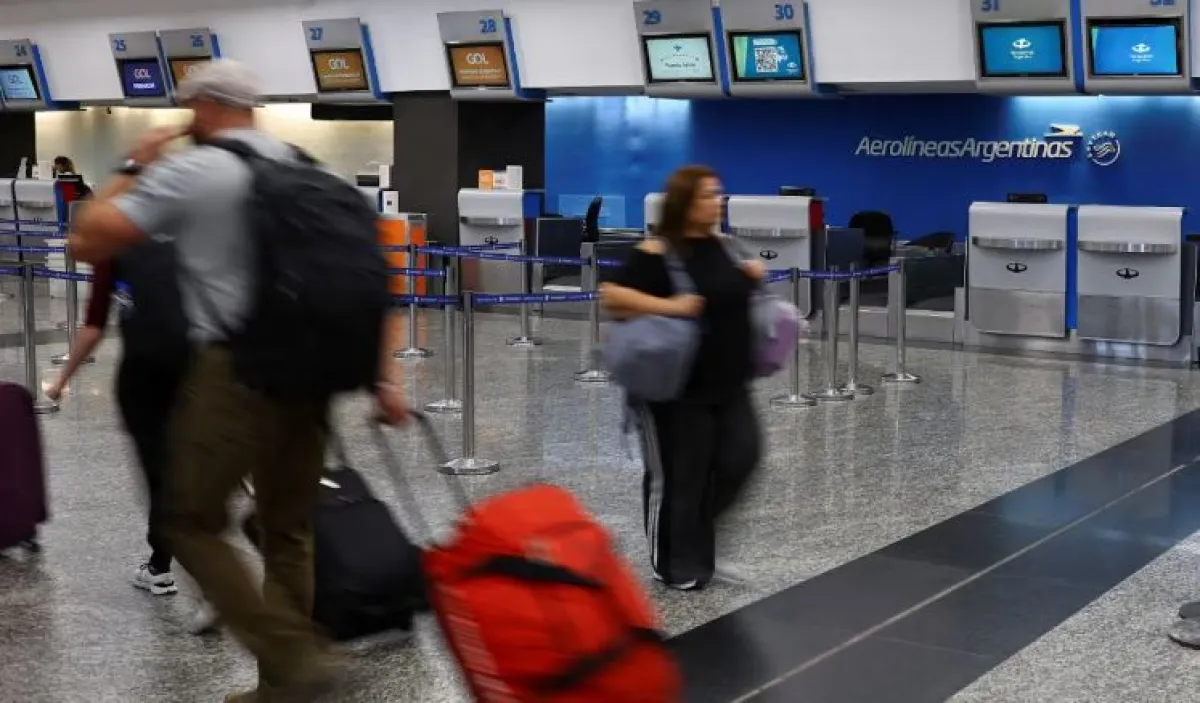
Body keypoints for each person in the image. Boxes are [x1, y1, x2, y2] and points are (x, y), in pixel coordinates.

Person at [67, 60, 411, 702]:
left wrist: (134, 163)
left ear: (202, 106)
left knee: (188, 521)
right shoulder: (308, 167)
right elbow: (373, 277)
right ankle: (281, 689)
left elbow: (87, 241)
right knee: (289, 530)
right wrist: (384, 379)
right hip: (312, 375)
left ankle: (294, 656)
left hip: (236, 370)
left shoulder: (201, 169)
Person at [600, 165, 764, 591]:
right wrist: (672, 306)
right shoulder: (658, 250)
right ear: (685, 204)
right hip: (676, 390)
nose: (717, 202)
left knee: (739, 459)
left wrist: (749, 279)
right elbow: (612, 298)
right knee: (679, 477)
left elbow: (725, 298)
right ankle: (672, 564)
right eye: (708, 195)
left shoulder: (724, 246)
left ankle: (696, 543)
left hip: (728, 385)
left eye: (719, 194)